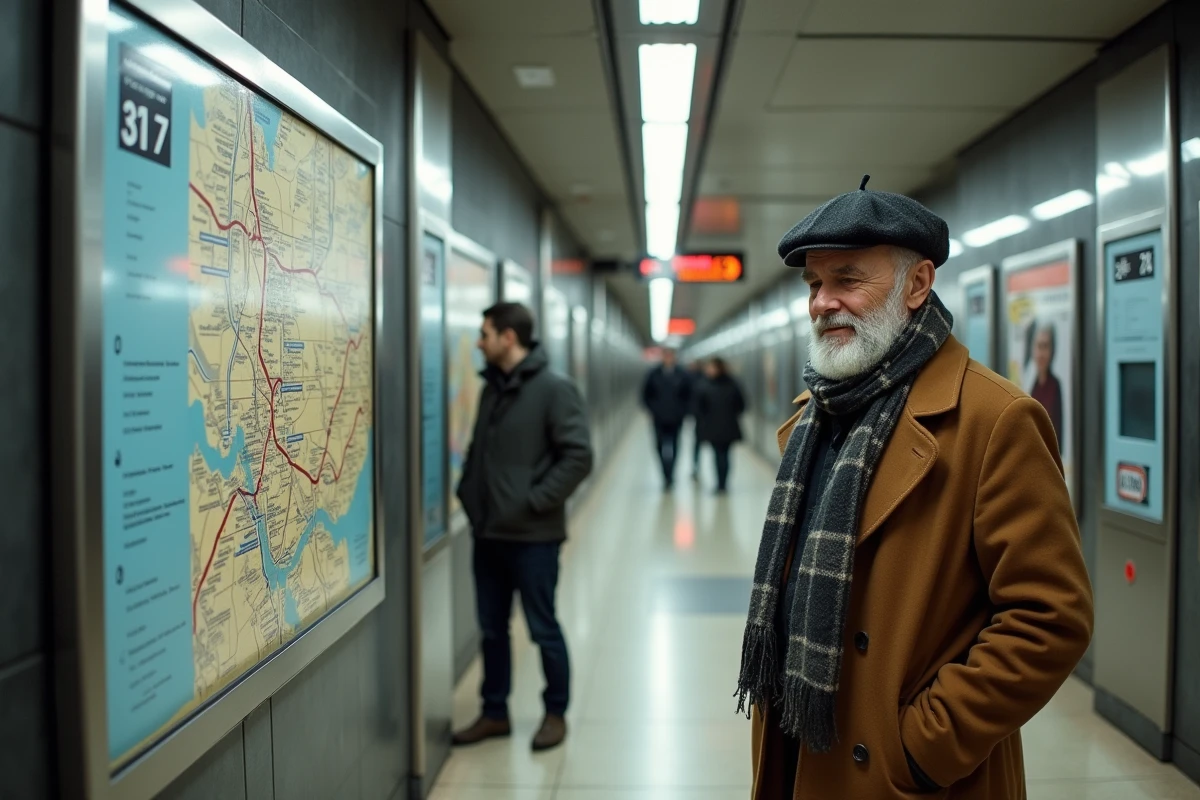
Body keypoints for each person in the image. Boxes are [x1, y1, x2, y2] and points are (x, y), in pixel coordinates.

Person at [735, 176, 1093, 798]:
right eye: (815, 285)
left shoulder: (993, 419)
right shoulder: (817, 416)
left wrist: (925, 745)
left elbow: (1049, 617)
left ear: (918, 284)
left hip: (902, 773)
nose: (823, 302)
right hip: (803, 747)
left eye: (848, 279)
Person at [452, 302, 593, 752]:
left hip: (533, 538)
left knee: (541, 627)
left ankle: (555, 713)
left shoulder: (554, 389)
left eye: (485, 333)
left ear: (508, 338)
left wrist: (532, 503)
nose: (480, 342)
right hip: (488, 533)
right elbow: (481, 450)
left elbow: (578, 457)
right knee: (491, 629)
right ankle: (494, 712)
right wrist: (469, 496)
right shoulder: (493, 387)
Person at [641, 348, 692, 489]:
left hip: (676, 417)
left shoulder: (682, 374)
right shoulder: (653, 374)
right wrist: (652, 410)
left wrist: (684, 412)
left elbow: (689, 395)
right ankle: (665, 473)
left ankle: (671, 474)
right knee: (659, 446)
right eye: (666, 356)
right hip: (659, 417)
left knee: (675, 445)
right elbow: (645, 395)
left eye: (671, 356)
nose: (668, 358)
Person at [694, 357, 745, 493]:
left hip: (723, 426)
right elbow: (698, 407)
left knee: (723, 455)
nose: (708, 370)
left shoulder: (705, 385)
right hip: (718, 427)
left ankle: (722, 483)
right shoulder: (731, 384)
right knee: (719, 455)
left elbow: (741, 404)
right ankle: (721, 483)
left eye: (711, 368)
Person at [1027, 320, 1064, 453]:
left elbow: (1059, 437)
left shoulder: (1055, 386)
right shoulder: (1031, 385)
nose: (1041, 354)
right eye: (1038, 346)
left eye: (1046, 347)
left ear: (1052, 350)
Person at [687, 359, 708, 481]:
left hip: (703, 418)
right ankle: (696, 467)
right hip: (701, 418)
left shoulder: (699, 381)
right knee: (698, 444)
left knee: (697, 444)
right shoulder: (699, 380)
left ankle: (696, 467)